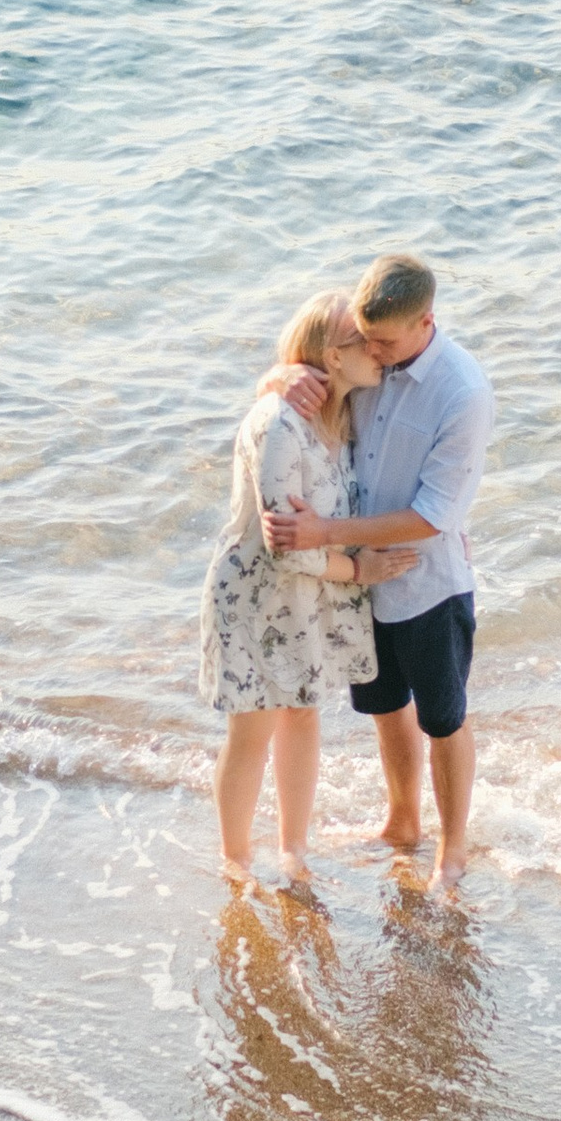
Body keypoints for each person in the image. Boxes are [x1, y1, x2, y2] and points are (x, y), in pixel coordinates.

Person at [264, 250, 493, 889]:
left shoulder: (463, 392)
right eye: (367, 340)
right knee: (386, 705)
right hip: (361, 579)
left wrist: (325, 535)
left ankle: (452, 850)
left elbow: (431, 517)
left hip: (430, 581)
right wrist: (282, 377)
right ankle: (402, 822)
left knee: (443, 717)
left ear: (426, 322)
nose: (375, 353)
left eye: (387, 343)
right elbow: (300, 375)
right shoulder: (371, 358)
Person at [201, 293, 412, 888]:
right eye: (362, 340)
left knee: (302, 713)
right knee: (252, 729)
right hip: (256, 597)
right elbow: (287, 545)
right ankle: (236, 862)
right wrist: (362, 572)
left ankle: (294, 851)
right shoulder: (279, 423)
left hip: (308, 601)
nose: (377, 350)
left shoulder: (345, 413)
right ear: (332, 356)